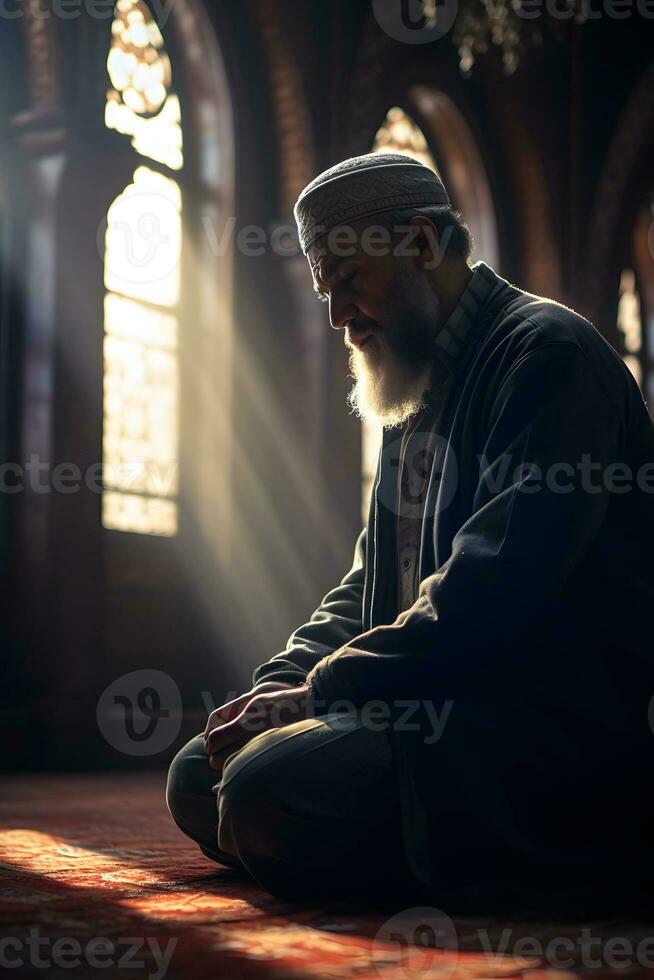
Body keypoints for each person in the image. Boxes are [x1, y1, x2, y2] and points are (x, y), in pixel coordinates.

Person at [167, 153, 654, 906]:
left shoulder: (548, 355)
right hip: (422, 702)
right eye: (325, 291)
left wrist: (318, 696)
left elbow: (491, 588)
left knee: (266, 787)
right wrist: (278, 686)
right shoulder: (413, 382)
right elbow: (370, 584)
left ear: (422, 245)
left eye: (349, 281)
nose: (337, 316)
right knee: (199, 772)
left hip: (519, 725)